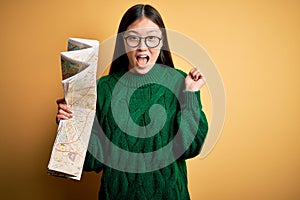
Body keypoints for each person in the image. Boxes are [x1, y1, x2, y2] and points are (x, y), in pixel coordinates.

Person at [56, 4, 208, 200]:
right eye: (133, 38)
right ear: (123, 42)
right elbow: (90, 162)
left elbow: (191, 147)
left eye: (152, 38)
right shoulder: (102, 89)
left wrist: (191, 95)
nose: (142, 47)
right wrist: (70, 124)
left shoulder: (181, 83)